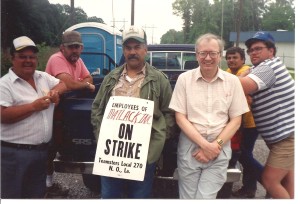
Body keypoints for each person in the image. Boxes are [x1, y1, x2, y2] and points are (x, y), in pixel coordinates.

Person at [91, 25, 176, 198]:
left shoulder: (159, 79)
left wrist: (155, 144)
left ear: (145, 49)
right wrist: (103, 137)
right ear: (124, 50)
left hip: (143, 157)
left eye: (137, 47)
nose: (132, 52)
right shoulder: (111, 79)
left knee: (139, 198)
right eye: (128, 48)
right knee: (109, 197)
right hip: (112, 156)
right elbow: (97, 109)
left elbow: (169, 114)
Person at [169, 33, 249, 199]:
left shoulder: (232, 82)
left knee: (206, 198)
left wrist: (215, 146)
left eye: (213, 53)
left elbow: (236, 120)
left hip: (219, 148)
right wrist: (205, 145)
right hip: (190, 148)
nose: (207, 58)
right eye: (203, 53)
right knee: (188, 198)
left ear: (220, 55)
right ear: (196, 55)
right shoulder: (184, 80)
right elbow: (180, 117)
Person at [0, 36, 67, 198]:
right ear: (12, 58)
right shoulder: (5, 84)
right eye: (22, 57)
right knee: (12, 196)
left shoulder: (42, 77)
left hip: (40, 153)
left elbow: (63, 83)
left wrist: (55, 92)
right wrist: (33, 107)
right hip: (13, 154)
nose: (28, 61)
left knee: (36, 196)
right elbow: (2, 115)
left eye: (31, 57)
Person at [239, 31, 294, 199]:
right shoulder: (258, 68)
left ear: (271, 51)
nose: (253, 52)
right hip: (280, 137)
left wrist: (235, 77)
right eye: (250, 50)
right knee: (288, 181)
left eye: (258, 48)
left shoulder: (269, 66)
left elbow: (242, 87)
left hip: (287, 137)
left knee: (269, 180)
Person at [45, 30, 95, 196]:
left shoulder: (77, 60)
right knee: (47, 148)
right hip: (48, 109)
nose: (75, 50)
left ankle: (48, 184)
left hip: (62, 109)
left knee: (53, 146)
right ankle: (45, 187)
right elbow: (69, 84)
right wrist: (84, 85)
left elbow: (89, 78)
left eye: (78, 47)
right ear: (62, 48)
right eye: (71, 47)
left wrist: (79, 83)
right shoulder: (56, 59)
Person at [225, 47, 264, 198]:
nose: (231, 60)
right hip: (236, 122)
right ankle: (249, 188)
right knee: (242, 155)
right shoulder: (228, 72)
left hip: (249, 124)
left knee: (244, 155)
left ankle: (267, 181)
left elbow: (241, 93)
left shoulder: (248, 72)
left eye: (235, 57)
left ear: (242, 59)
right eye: (228, 58)